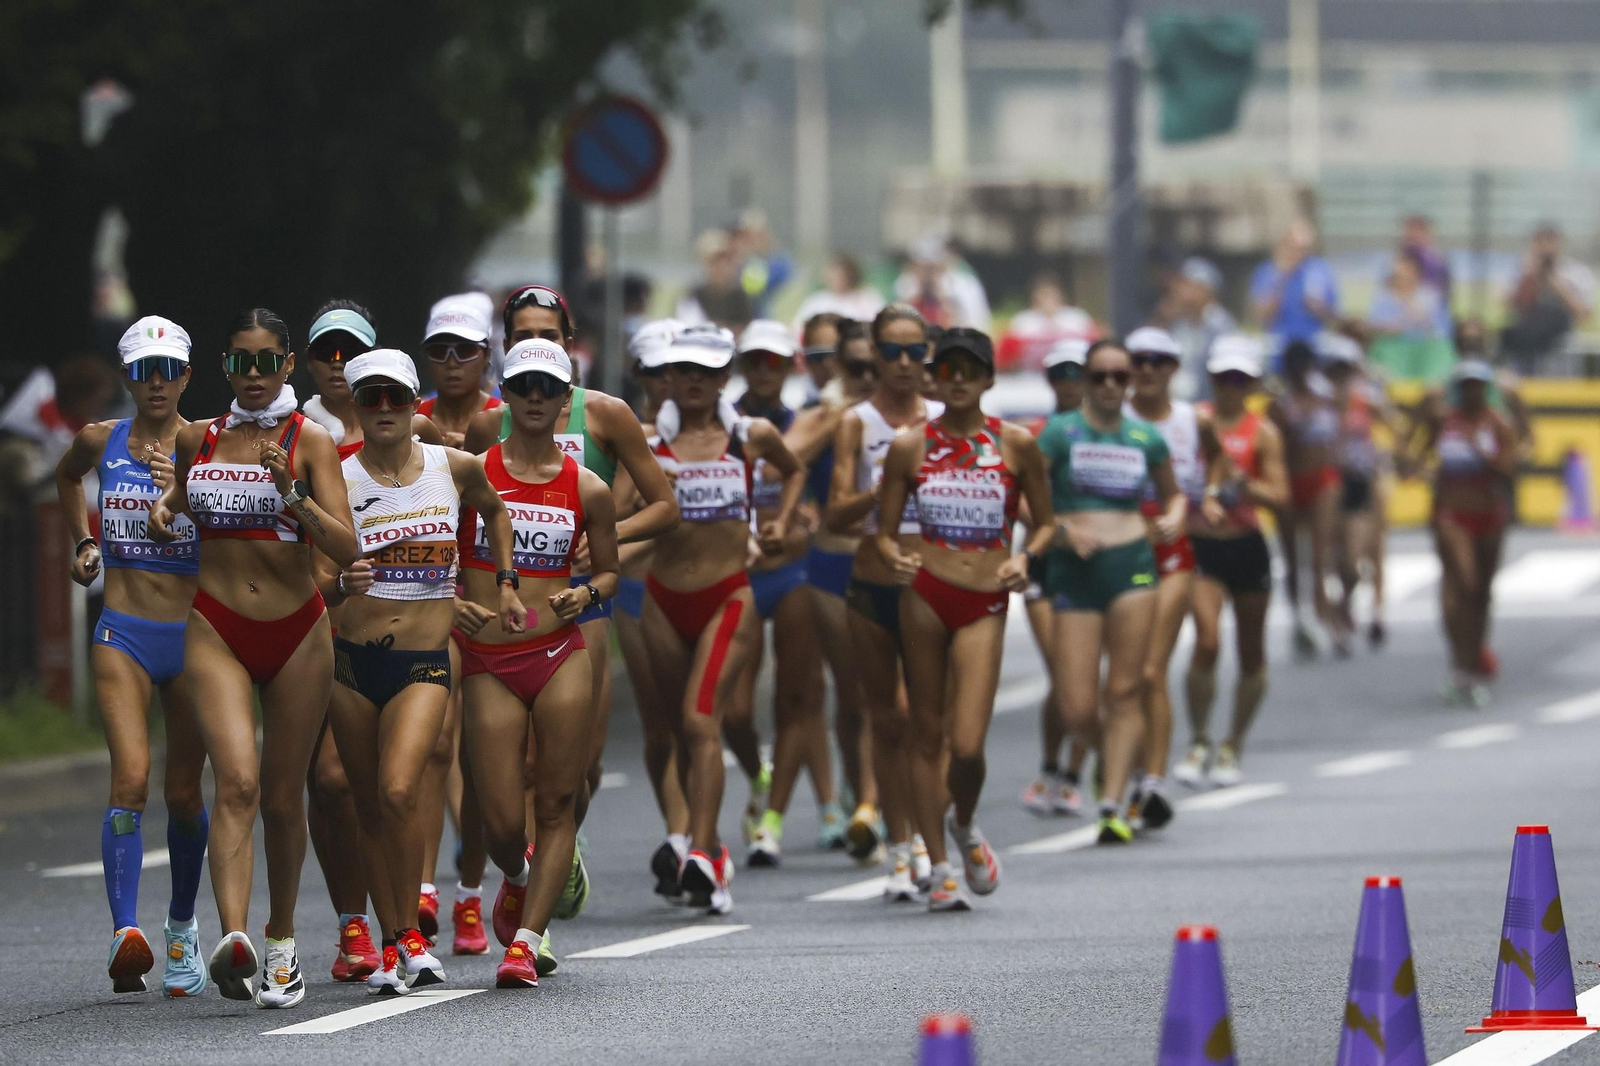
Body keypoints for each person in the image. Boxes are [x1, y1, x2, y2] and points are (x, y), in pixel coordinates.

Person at [148, 307, 360, 1008]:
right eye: (244, 361)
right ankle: (234, 938)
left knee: (280, 796)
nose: (257, 374)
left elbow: (346, 548)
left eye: (270, 360)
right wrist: (166, 507)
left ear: (289, 365)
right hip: (215, 626)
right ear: (225, 366)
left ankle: (281, 943)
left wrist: (291, 494)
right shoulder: (199, 436)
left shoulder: (312, 440)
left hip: (298, 630)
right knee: (234, 782)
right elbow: (182, 494)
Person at [466, 283, 678, 922]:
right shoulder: (487, 425)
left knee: (579, 765)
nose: (537, 346)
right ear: (507, 350)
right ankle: (533, 866)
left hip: (581, 603)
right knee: (518, 770)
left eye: (549, 336)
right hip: (508, 611)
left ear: (570, 342)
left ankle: (564, 837)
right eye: (524, 337)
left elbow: (665, 505)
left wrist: (602, 539)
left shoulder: (606, 415)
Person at [315, 350, 523, 995]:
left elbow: (495, 510)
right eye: (369, 398)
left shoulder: (453, 467)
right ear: (355, 403)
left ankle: (408, 931)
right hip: (353, 662)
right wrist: (336, 586)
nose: (383, 410)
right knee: (369, 806)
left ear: (413, 403)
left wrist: (505, 583)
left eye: (395, 398)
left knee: (401, 789)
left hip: (425, 662)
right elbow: (314, 580)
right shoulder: (339, 479)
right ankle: (397, 937)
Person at [454, 339, 618, 987]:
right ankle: (517, 880)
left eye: (547, 389)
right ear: (505, 392)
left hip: (559, 653)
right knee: (498, 825)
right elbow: (429, 537)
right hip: (490, 658)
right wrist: (449, 600)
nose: (534, 399)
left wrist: (587, 592)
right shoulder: (470, 471)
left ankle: (526, 942)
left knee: (555, 802)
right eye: (522, 386)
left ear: (564, 397)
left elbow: (609, 570)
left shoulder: (590, 487)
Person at [55, 316, 209, 997]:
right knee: (131, 779)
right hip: (123, 629)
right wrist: (83, 542)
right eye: (144, 371)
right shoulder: (101, 441)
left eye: (168, 369)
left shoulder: (208, 447)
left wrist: (186, 487)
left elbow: (241, 525)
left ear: (186, 376)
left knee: (181, 792)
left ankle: (179, 930)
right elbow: (67, 478)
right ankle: (125, 934)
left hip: (197, 636)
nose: (157, 383)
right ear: (127, 378)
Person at [876, 328, 1054, 910]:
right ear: (934, 378)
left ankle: (966, 823)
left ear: (988, 380)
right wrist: (894, 555)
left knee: (969, 746)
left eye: (969, 372)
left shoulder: (1016, 444)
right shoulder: (909, 446)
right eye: (946, 371)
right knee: (924, 734)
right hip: (924, 594)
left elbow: (1048, 522)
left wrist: (1026, 558)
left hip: (985, 599)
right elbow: (882, 532)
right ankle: (941, 865)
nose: (957, 382)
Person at [639, 326, 804, 913]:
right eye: (683, 370)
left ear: (723, 379)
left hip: (729, 597)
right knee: (682, 730)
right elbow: (614, 501)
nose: (692, 381)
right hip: (662, 599)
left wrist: (777, 523)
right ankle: (704, 846)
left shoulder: (748, 436)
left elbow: (796, 470)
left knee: (699, 718)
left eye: (707, 373)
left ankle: (705, 853)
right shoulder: (646, 443)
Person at [297, 300, 438, 983]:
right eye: (326, 353)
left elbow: (472, 506)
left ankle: (401, 924)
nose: (337, 364)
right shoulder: (292, 434)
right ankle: (357, 919)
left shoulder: (425, 439)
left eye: (348, 351)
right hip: (318, 637)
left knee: (393, 785)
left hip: (408, 639)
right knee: (330, 785)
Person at [1038, 339, 1185, 844]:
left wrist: (1172, 519)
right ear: (1084, 379)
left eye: (1119, 377)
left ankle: (1113, 802)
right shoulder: (1059, 434)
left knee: (1124, 690)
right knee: (1077, 704)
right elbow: (1022, 501)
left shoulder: (1146, 437)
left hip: (1132, 569)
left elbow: (1174, 496)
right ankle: (1117, 763)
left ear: (1128, 383)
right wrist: (1061, 531)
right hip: (1075, 573)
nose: (1109, 386)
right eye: (1098, 376)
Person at [825, 305, 944, 896]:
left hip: (934, 584)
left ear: (929, 354)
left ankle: (930, 838)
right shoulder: (856, 422)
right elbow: (836, 513)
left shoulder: (948, 419)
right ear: (873, 353)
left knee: (929, 723)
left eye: (915, 352)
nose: (902, 364)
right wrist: (886, 483)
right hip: (872, 582)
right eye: (891, 351)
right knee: (888, 717)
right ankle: (901, 847)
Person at [731, 320, 836, 867]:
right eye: (754, 362)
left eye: (774, 362)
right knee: (735, 710)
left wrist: (808, 515)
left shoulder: (808, 424)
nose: (764, 372)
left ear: (788, 366)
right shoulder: (725, 424)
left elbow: (826, 490)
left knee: (798, 697)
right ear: (742, 366)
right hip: (741, 575)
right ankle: (758, 772)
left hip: (795, 571)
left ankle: (770, 818)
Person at [1172, 335, 1288, 788]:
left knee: (1252, 652)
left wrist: (1244, 484)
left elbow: (1281, 496)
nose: (1230, 387)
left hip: (1245, 544)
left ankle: (1233, 743)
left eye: (1240, 379)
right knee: (1206, 640)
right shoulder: (1192, 422)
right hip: (1202, 545)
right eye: (1223, 378)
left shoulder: (1263, 433)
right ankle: (1199, 738)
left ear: (1252, 383)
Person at [784, 317, 881, 856]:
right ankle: (856, 788)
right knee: (850, 694)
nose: (868, 377)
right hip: (830, 564)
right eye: (856, 367)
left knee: (883, 693)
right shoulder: (824, 415)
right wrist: (835, 419)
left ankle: (873, 801)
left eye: (877, 366)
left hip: (887, 565)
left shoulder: (909, 420)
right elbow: (781, 461)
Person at [1123, 326, 1219, 830]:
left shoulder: (1191, 419)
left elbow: (1216, 459)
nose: (1149, 371)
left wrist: (1211, 496)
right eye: (1139, 360)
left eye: (1160, 361)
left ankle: (1152, 782)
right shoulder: (1110, 419)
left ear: (1174, 368)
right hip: (1119, 555)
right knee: (1122, 676)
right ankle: (1128, 769)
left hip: (1172, 553)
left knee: (1150, 672)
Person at [1408, 360, 1516, 707]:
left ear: (1485, 389)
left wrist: (1481, 450)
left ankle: (1472, 658)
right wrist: (1421, 468)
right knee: (1463, 584)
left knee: (1482, 592)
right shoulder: (1444, 421)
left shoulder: (1499, 424)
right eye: (1465, 385)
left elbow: (1507, 469)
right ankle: (1460, 663)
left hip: (1488, 514)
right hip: (1451, 513)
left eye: (1477, 386)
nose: (1471, 392)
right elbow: (1414, 453)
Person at [1018, 339, 1090, 817]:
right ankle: (1049, 766)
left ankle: (1072, 775)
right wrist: (1053, 528)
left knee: (1085, 676)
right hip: (1048, 559)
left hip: (1095, 563)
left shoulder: (1108, 433)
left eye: (1075, 372)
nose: (1068, 381)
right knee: (1063, 672)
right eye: (1059, 372)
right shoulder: (1035, 435)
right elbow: (1018, 497)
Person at [1322, 333, 1400, 652]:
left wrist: (1385, 461)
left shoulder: (1365, 399)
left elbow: (1395, 427)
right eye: (1334, 370)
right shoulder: (1321, 401)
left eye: (1345, 370)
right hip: (1332, 483)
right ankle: (1344, 606)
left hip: (1364, 480)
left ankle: (1377, 612)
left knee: (1372, 548)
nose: (1340, 377)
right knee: (1342, 554)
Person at [1267, 339, 1342, 659]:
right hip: (1291, 479)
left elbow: (1338, 433)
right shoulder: (1279, 403)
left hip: (1321, 478)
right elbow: (1280, 444)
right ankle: (1300, 617)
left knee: (1320, 553)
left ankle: (1326, 617)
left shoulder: (1326, 396)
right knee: (1292, 556)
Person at [1501, 223, 1596, 377]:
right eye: (1539, 241)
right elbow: (1509, 306)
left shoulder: (1576, 271)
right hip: (1526, 345)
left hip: (1562, 345)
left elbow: (1583, 313)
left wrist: (1553, 279)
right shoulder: (1521, 270)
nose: (1545, 247)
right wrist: (1530, 276)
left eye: (1550, 241)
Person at [418, 294, 502, 448]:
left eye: (465, 351)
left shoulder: (508, 421)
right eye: (439, 351)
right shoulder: (410, 421)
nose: (451, 363)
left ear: (487, 355)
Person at [1251, 219, 1338, 357]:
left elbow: (1334, 313)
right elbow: (1262, 315)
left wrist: (1316, 306)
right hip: (1279, 342)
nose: (1299, 254)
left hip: (1313, 341)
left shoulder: (1320, 270)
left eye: (1304, 249)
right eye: (1295, 247)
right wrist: (1281, 280)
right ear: (1284, 244)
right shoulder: (1268, 272)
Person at [1366, 250, 1454, 383]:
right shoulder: (1383, 299)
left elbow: (1443, 331)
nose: (1401, 276)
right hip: (1393, 351)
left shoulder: (1430, 297)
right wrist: (1389, 329)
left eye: (1405, 271)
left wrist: (1421, 318)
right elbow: (1372, 326)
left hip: (1426, 353)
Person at [1164, 257, 1236, 401]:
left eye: (1194, 286)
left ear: (1208, 291)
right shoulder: (1178, 324)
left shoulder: (1221, 326)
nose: (1186, 292)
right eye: (1185, 284)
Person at [995, 272, 1097, 372]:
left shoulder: (1077, 318)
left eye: (1051, 294)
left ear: (1061, 295)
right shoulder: (1023, 321)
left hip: (1071, 375)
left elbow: (1095, 349)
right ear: (1034, 297)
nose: (1048, 300)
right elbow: (1006, 358)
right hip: (1029, 378)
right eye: (1043, 295)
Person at [893, 235, 992, 332]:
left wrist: (943, 298)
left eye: (932, 268)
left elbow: (975, 322)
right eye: (924, 268)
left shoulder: (963, 285)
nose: (928, 274)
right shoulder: (906, 284)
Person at [677, 229, 756, 334]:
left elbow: (746, 328)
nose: (722, 268)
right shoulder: (695, 294)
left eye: (727, 263)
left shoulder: (739, 295)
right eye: (715, 263)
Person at [791, 255, 885, 336]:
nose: (837, 279)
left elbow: (879, 325)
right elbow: (799, 327)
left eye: (841, 275)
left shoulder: (866, 298)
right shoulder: (817, 301)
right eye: (834, 274)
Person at [731, 209, 795, 319]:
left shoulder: (781, 263)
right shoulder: (738, 263)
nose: (752, 240)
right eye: (746, 236)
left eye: (756, 235)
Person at [1400, 214, 1450, 301]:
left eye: (1417, 230)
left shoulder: (1435, 261)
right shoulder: (1403, 256)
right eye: (1410, 230)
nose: (1412, 235)